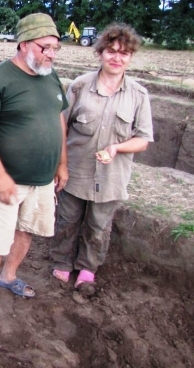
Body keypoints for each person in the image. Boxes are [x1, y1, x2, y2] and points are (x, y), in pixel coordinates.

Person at [0, 13, 69, 326]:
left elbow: (59, 119)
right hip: (8, 181)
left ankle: (9, 277)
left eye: (55, 47)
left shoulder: (50, 75)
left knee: (26, 231)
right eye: (45, 47)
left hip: (41, 180)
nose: (51, 54)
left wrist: (62, 163)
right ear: (24, 44)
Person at [49, 23, 153, 289]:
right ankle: (61, 261)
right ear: (100, 53)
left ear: (130, 57)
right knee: (67, 219)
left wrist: (117, 148)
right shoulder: (79, 86)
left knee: (98, 225)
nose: (117, 58)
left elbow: (143, 139)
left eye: (124, 53)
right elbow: (62, 125)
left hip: (111, 177)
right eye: (111, 51)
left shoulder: (138, 96)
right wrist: (59, 165)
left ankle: (87, 268)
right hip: (76, 170)